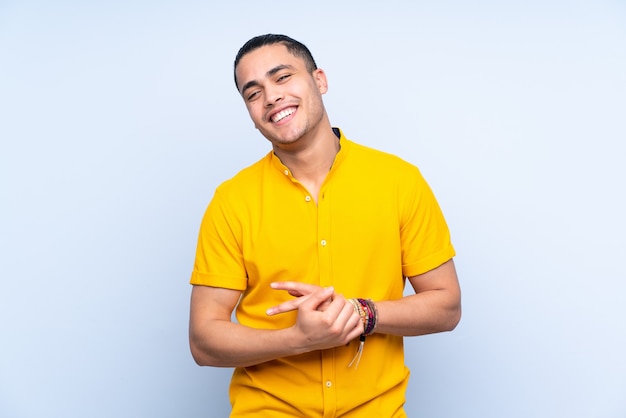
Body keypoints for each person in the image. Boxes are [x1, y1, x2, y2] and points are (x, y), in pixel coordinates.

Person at [189, 33, 461, 417]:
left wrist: (363, 314)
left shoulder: (399, 181)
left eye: (282, 77)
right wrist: (297, 340)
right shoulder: (231, 202)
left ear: (320, 80)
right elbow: (204, 340)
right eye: (253, 93)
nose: (270, 97)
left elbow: (446, 305)